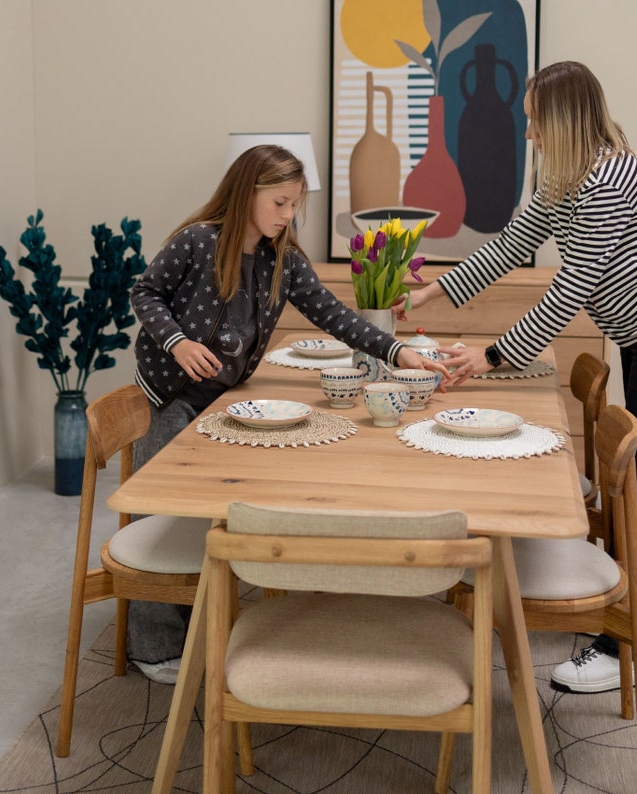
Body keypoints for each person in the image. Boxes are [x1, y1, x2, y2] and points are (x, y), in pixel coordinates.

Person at [128, 143, 451, 683]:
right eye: (279, 203)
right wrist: (178, 341)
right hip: (170, 394)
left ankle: (206, 619)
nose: (286, 216)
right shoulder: (196, 241)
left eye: (293, 206)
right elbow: (145, 293)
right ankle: (155, 646)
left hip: (225, 398)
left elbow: (335, 316)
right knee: (160, 515)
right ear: (246, 192)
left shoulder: (285, 261)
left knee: (205, 512)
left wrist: (399, 353)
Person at [409, 60, 637, 693]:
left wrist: (492, 357)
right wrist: (433, 295)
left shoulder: (610, 178)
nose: (527, 133)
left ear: (560, 120)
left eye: (533, 121)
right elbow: (512, 243)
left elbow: (572, 287)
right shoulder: (567, 177)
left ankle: (625, 645)